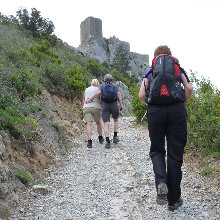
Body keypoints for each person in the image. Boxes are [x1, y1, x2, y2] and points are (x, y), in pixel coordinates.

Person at [139, 45, 193, 211]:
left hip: (155, 111)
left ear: (155, 57)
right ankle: (174, 200)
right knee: (175, 154)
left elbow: (141, 95)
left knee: (157, 150)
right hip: (176, 110)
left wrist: (151, 103)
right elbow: (189, 88)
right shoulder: (177, 67)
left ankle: (161, 182)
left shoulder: (151, 70)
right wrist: (181, 102)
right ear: (170, 55)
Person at [86, 74, 124, 149]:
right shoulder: (115, 86)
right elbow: (119, 94)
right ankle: (115, 136)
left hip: (105, 105)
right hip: (113, 104)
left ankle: (107, 141)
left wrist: (91, 99)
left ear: (104, 80)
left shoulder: (102, 86)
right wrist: (121, 105)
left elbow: (98, 93)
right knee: (116, 120)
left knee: (106, 123)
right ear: (112, 80)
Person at [83, 79, 104, 148]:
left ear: (91, 83)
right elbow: (100, 100)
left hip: (86, 107)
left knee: (89, 124)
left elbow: (84, 99)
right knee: (98, 122)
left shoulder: (86, 89)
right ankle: (100, 137)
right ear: (97, 83)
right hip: (96, 107)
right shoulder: (98, 89)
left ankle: (89, 141)